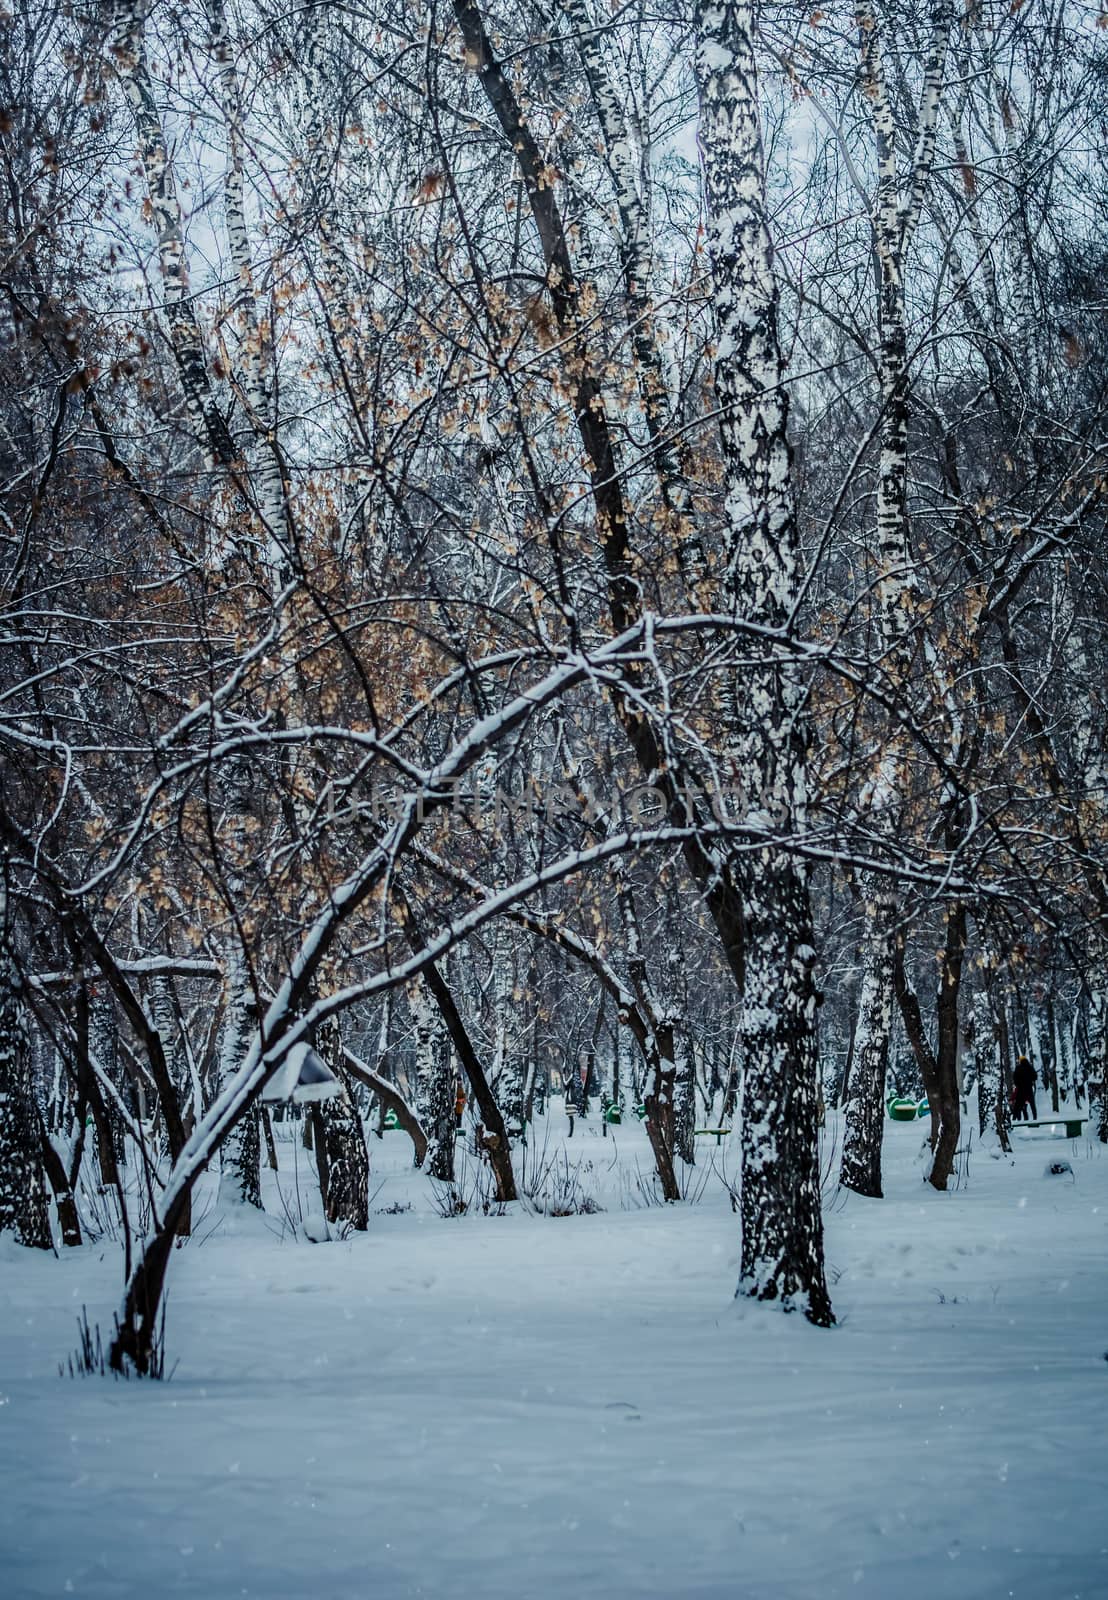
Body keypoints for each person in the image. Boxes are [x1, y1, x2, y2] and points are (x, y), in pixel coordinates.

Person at [1012, 1054, 1038, 1121]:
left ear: (1020, 1061)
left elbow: (1015, 1078)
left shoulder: (1018, 1068)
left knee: (1018, 1105)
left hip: (1021, 1089)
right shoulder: (1030, 1067)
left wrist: (1018, 1084)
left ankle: (1014, 1119)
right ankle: (1035, 1117)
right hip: (1029, 1088)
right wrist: (1031, 1081)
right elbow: (1035, 1076)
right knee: (1032, 1104)